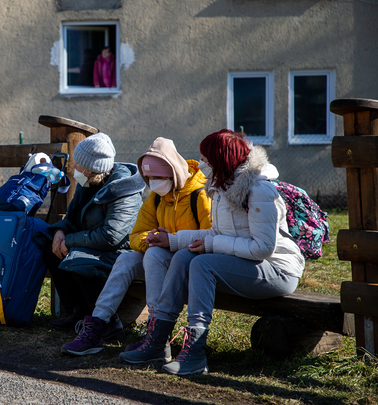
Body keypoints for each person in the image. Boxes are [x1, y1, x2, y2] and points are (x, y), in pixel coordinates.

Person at [119, 129, 305, 375]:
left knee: (202, 263)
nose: (202, 164)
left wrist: (211, 246)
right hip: (247, 264)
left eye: (207, 159)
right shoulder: (222, 188)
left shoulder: (260, 191)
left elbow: (262, 248)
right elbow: (216, 234)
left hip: (277, 271)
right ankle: (157, 341)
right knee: (185, 256)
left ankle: (195, 351)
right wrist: (173, 241)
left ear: (221, 159)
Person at [61, 137, 212, 356]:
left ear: (174, 172)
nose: (153, 183)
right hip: (162, 255)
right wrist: (150, 239)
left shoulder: (200, 194)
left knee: (154, 254)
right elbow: (136, 234)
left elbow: (211, 235)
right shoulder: (157, 197)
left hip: (188, 260)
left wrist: (170, 241)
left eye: (158, 177)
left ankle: (155, 331)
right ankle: (98, 324)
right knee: (127, 258)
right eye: (149, 178)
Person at [35, 133, 145, 341]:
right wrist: (60, 232)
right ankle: (78, 313)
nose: (74, 168)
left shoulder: (124, 191)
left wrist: (69, 240)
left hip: (119, 252)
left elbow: (111, 236)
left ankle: (108, 324)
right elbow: (72, 218)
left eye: (78, 164)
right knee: (50, 245)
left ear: (92, 168)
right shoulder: (89, 183)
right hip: (93, 244)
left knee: (78, 260)